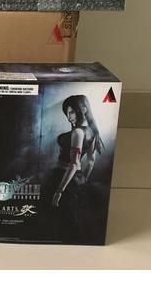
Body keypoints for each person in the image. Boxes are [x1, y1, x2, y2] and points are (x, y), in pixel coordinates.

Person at [51, 95, 104, 242]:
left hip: (64, 177)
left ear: (84, 109)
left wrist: (59, 191)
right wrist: (82, 180)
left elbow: (74, 164)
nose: (68, 117)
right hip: (74, 178)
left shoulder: (78, 132)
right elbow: (91, 161)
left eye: (72, 112)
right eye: (67, 113)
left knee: (64, 218)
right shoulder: (92, 132)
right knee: (70, 217)